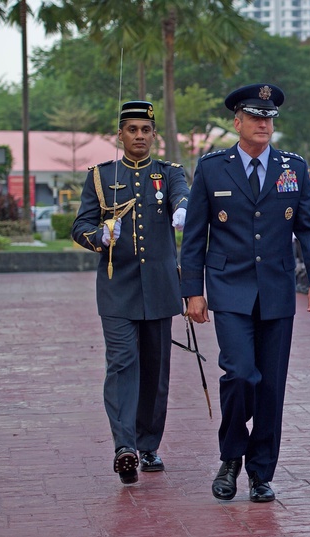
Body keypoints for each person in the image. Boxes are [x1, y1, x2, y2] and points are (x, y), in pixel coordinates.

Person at [180, 83, 310, 502]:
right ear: (237, 122)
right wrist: (193, 291)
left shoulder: (292, 167)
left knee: (271, 386)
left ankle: (261, 472)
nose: (263, 124)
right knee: (241, 374)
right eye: (254, 117)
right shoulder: (213, 168)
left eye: (268, 118)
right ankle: (231, 457)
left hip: (276, 290)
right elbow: (194, 235)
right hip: (229, 288)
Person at [72, 100, 189, 485]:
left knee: (155, 370)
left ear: (154, 135)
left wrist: (183, 209)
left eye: (146, 130)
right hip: (117, 287)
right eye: (132, 130)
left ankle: (148, 444)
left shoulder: (169, 173)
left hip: (159, 287)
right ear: (119, 134)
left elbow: (181, 195)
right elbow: (80, 227)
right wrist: (99, 236)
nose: (140, 136)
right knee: (122, 364)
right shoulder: (101, 176)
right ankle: (124, 447)